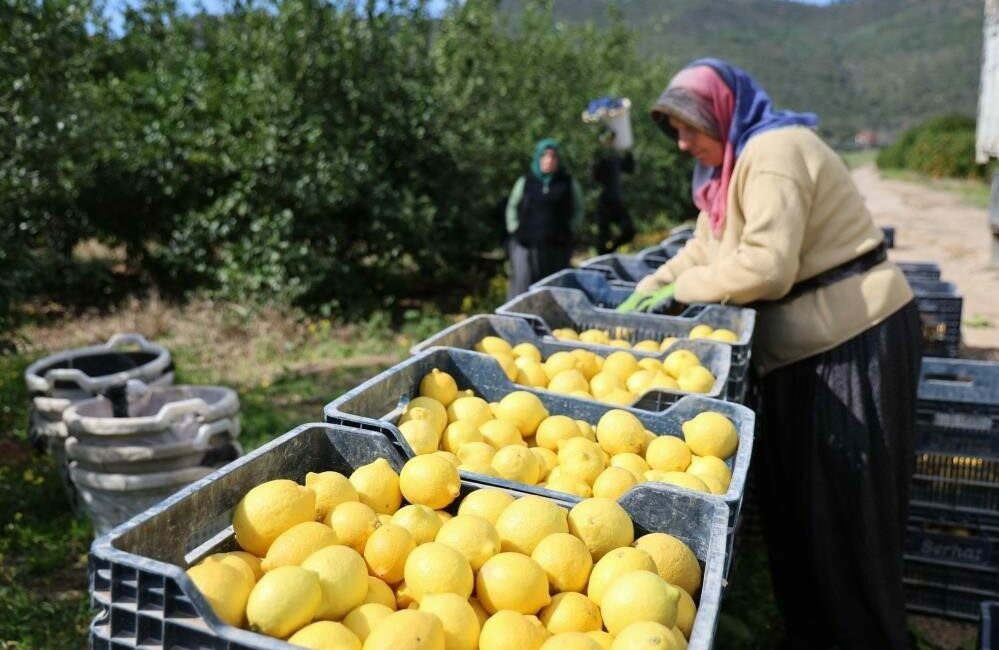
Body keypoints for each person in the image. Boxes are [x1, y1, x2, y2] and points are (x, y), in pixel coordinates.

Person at [625, 58, 922, 650]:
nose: (681, 142)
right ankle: (818, 632)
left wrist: (682, 293)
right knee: (806, 514)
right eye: (672, 130)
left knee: (845, 511)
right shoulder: (729, 168)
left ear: (721, 112)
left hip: (850, 341)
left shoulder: (775, 152)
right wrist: (647, 290)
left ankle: (867, 638)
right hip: (804, 352)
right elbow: (704, 249)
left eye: (688, 125)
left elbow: (767, 265)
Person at [504, 138, 584, 298]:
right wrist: (515, 229)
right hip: (526, 245)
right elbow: (512, 206)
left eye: (553, 157)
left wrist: (572, 229)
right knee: (522, 286)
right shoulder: (526, 181)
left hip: (557, 246)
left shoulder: (567, 182)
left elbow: (579, 208)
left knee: (553, 288)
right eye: (545, 156)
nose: (549, 160)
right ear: (538, 158)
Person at [593, 128, 636, 254]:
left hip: (616, 200)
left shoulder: (615, 158)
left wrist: (628, 150)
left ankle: (611, 250)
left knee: (629, 231)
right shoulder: (600, 158)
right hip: (605, 202)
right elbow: (596, 176)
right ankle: (602, 259)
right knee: (603, 237)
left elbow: (630, 168)